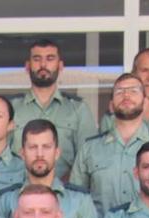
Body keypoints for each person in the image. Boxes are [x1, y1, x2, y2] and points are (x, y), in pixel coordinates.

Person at [0, 119, 99, 218]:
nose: (39, 154)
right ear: (22, 153)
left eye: (46, 147)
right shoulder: (4, 201)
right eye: (33, 147)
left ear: (57, 152)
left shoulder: (81, 201)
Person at [71, 72, 149, 216]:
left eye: (133, 91)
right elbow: (75, 201)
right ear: (111, 105)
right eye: (120, 92)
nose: (126, 96)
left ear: (145, 102)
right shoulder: (89, 149)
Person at [9, 39, 97, 181]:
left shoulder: (78, 109)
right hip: (19, 194)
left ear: (60, 65)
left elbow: (87, 158)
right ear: (27, 66)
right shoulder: (11, 108)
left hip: (65, 194)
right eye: (37, 59)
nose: (43, 65)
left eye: (50, 58)